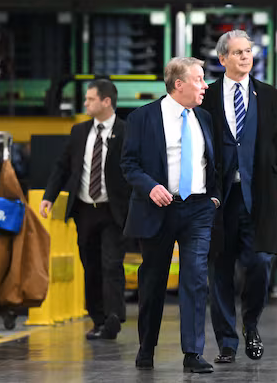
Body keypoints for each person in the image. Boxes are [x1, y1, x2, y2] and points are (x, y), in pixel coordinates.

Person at [121, 57, 219, 374]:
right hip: (157, 209)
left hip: (198, 210)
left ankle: (192, 353)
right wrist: (150, 187)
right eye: (199, 79)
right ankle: (146, 347)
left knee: (194, 279)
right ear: (179, 84)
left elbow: (215, 161)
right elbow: (129, 164)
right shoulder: (141, 118)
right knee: (153, 281)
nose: (205, 85)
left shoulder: (204, 117)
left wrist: (214, 198)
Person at [201, 30, 277, 364]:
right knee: (219, 268)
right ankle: (227, 342)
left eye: (248, 51)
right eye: (237, 53)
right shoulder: (205, 96)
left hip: (259, 195)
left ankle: (251, 324)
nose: (245, 57)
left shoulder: (271, 96)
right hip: (218, 198)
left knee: (261, 262)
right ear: (222, 59)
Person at [39, 79, 131, 341]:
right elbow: (62, 167)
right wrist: (49, 197)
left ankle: (114, 316)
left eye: (90, 99)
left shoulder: (126, 132)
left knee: (112, 264)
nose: (86, 103)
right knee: (90, 265)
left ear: (106, 102)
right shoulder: (79, 132)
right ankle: (98, 319)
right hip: (84, 210)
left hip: (113, 210)